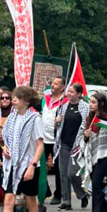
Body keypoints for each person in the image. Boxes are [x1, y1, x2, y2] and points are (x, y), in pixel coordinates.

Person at [53, 83, 90, 211]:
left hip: (77, 145)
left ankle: (82, 194)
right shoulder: (63, 107)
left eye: (72, 92)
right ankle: (66, 201)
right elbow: (57, 127)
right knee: (63, 174)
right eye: (68, 92)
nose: (69, 94)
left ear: (79, 94)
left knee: (72, 173)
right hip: (64, 143)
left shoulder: (85, 107)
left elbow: (87, 124)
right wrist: (56, 122)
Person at [41, 76, 65, 205]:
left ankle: (59, 194)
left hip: (57, 138)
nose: (53, 85)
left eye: (56, 84)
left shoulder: (65, 101)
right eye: (52, 83)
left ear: (62, 87)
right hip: (44, 137)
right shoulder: (46, 99)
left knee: (59, 168)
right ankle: (45, 190)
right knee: (41, 165)